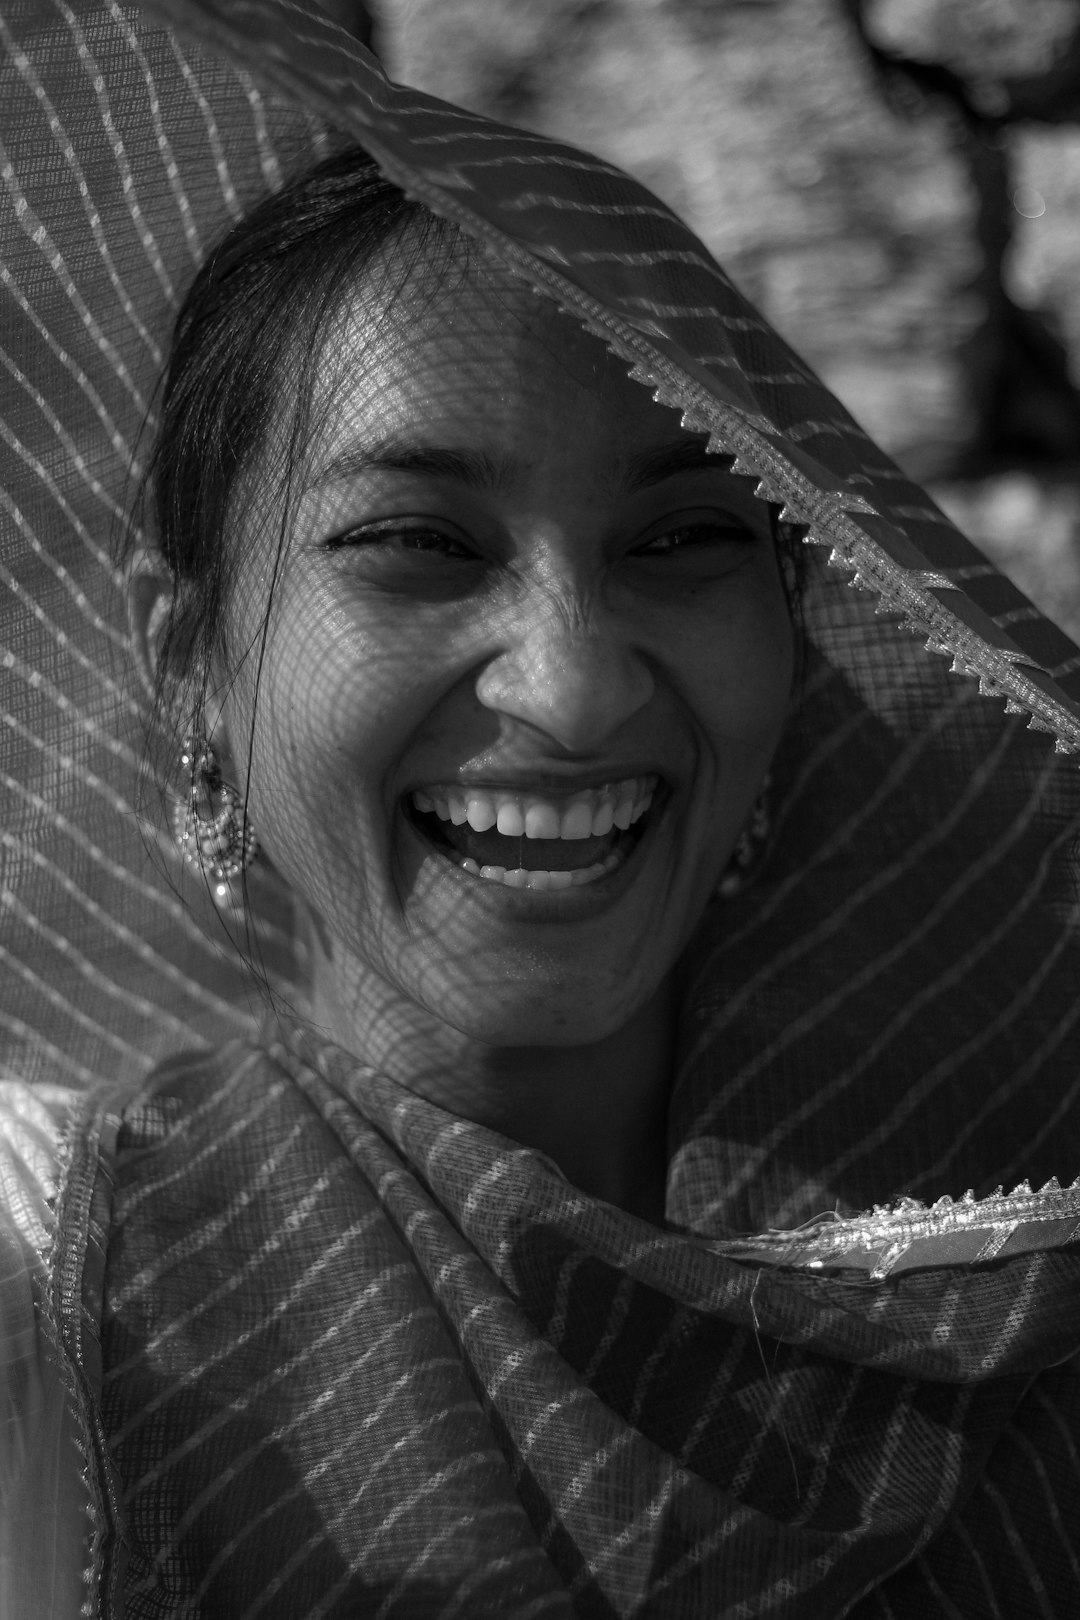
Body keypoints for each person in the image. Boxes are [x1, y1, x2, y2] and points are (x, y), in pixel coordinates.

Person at [1, 0, 1078, 1615]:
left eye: (680, 541)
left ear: (802, 626)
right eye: (417, 545)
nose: (573, 691)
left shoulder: (1010, 1262)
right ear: (190, 664)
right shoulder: (65, 1286)